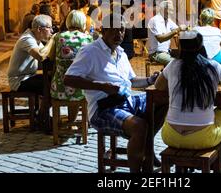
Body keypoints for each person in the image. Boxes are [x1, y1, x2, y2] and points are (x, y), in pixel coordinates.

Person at [64, 13, 168, 172]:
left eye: (121, 30)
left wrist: (150, 80)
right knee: (139, 126)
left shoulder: (121, 53)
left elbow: (132, 81)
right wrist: (101, 86)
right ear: (103, 30)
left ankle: (147, 145)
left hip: (126, 100)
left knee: (163, 99)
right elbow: (69, 79)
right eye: (113, 30)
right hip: (103, 109)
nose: (118, 34)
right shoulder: (90, 51)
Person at [154, 31, 221, 168]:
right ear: (201, 45)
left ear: (180, 46)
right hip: (204, 138)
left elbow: (158, 85)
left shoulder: (173, 65)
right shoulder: (212, 66)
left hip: (171, 136)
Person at [7, 15, 53, 116]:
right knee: (50, 86)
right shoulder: (27, 39)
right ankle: (43, 118)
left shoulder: (36, 39)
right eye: (49, 28)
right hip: (19, 80)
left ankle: (42, 115)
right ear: (39, 29)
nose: (52, 31)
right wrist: (52, 40)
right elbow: (41, 56)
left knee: (52, 81)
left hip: (28, 77)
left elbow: (47, 54)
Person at [147, 0, 187, 66]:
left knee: (187, 58)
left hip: (167, 51)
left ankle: (168, 74)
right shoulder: (155, 20)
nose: (172, 13)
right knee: (176, 63)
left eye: (172, 10)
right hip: (156, 53)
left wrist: (187, 28)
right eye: (170, 10)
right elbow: (160, 39)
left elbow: (180, 29)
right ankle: (169, 75)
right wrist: (177, 30)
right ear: (163, 10)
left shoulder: (168, 20)